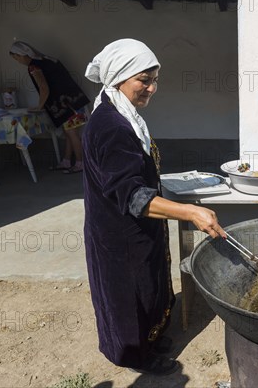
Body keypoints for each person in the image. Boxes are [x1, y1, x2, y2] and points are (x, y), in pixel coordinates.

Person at [82, 38, 226, 375]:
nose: (152, 88)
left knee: (150, 286)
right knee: (129, 295)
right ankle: (136, 356)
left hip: (136, 228)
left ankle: (150, 338)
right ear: (119, 77)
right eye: (144, 80)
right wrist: (191, 211)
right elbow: (131, 195)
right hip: (120, 234)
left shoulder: (119, 113)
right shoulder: (111, 127)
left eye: (155, 79)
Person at [9, 41, 89, 174]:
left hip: (66, 106)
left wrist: (39, 107)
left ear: (22, 54)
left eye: (17, 57)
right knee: (69, 133)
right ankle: (67, 161)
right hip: (75, 100)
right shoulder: (47, 59)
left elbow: (44, 88)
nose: (18, 61)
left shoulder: (34, 66)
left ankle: (81, 164)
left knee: (72, 134)